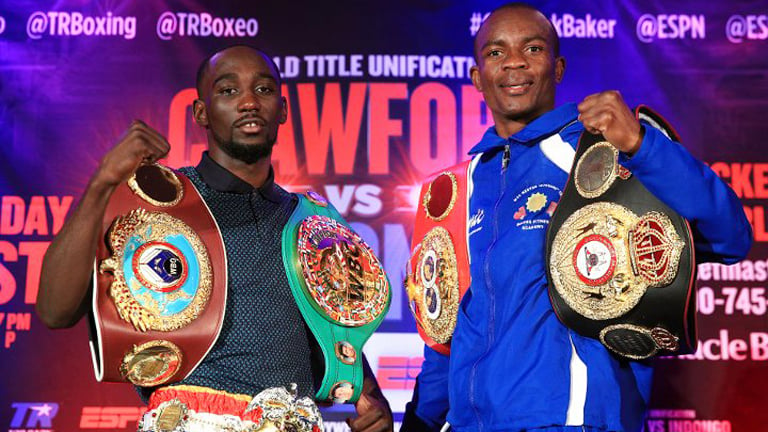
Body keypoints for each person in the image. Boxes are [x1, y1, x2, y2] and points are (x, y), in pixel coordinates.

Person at [401, 3, 752, 432]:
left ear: (559, 67)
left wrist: (642, 146)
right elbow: (446, 340)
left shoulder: (604, 151)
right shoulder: (460, 187)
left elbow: (731, 237)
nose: (514, 61)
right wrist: (418, 424)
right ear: (477, 77)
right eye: (496, 52)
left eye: (533, 48)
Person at [36, 45, 393, 432]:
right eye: (228, 91)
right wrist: (103, 182)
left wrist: (373, 402)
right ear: (201, 113)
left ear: (284, 110)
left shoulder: (311, 221)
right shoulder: (159, 202)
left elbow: (335, 331)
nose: (248, 103)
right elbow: (56, 311)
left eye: (264, 90)